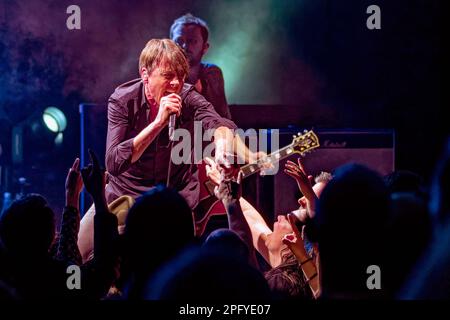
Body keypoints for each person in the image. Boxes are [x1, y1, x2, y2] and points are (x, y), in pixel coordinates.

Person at [170, 13, 232, 119]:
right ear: (170, 45)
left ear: (205, 47)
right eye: (179, 41)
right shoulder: (160, 74)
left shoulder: (211, 73)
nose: (184, 46)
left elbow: (223, 117)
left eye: (192, 41)